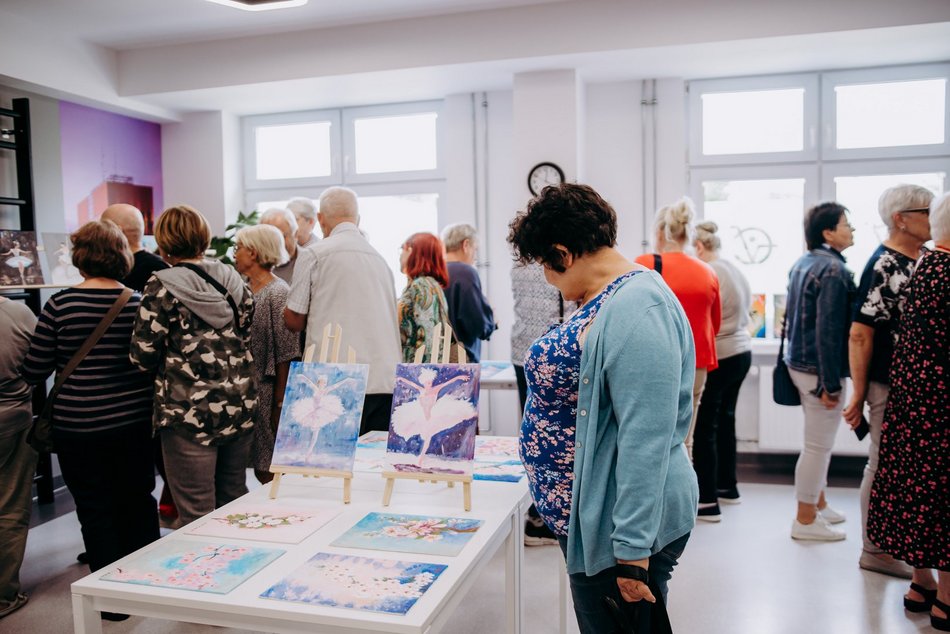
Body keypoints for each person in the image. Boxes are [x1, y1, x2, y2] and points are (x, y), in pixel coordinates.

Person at [508, 183, 697, 633]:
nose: (549, 281)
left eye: (546, 268)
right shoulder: (609, 297)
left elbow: (645, 435)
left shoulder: (639, 307)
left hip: (618, 536)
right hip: (598, 524)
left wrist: (632, 551)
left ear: (563, 252)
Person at [21, 220, 158, 619]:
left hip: (78, 428)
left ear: (79, 258)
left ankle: (113, 604)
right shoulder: (139, 302)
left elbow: (35, 368)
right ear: (122, 256)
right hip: (134, 422)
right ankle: (149, 586)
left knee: (95, 510)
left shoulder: (60, 305)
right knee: (137, 500)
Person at [130, 204, 257, 528]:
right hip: (237, 402)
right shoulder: (233, 278)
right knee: (235, 499)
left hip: (187, 410)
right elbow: (246, 330)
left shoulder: (161, 285)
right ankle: (243, 570)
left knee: (195, 511)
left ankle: (207, 575)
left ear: (164, 240)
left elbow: (143, 353)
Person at [866, 193, 949, 631]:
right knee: (940, 497)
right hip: (939, 405)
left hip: (915, 400)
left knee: (917, 492)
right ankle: (947, 601)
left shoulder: (924, 266)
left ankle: (922, 585)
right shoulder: (945, 271)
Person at [842, 184, 933, 578]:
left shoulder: (923, 257)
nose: (933, 218)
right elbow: (861, 333)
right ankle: (874, 549)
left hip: (919, 385)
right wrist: (859, 393)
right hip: (888, 383)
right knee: (881, 463)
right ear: (902, 219)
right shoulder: (884, 265)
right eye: (926, 211)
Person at [285, 186, 401, 434]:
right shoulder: (381, 261)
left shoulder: (314, 255)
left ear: (320, 220)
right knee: (370, 467)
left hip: (335, 382)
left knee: (329, 468)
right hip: (385, 380)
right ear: (358, 220)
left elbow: (294, 319)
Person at [783, 202, 856, 541]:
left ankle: (819, 503)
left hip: (799, 363)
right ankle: (806, 519)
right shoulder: (833, 271)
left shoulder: (805, 262)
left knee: (815, 443)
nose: (852, 229)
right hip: (818, 369)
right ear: (828, 232)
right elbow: (828, 332)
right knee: (817, 446)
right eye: (846, 224)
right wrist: (830, 383)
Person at [99, 202, 175, 521]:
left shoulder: (98, 276)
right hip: (148, 385)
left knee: (110, 480)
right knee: (146, 475)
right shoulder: (164, 271)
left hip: (110, 391)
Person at [635, 197, 721, 459]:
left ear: (660, 231)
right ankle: (683, 499)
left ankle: (654, 498)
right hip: (696, 364)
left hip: (654, 362)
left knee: (649, 439)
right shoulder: (707, 271)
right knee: (685, 441)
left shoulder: (644, 264)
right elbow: (714, 325)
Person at [510, 260, 577, 546]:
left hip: (522, 351)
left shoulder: (518, 265)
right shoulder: (562, 263)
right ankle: (549, 518)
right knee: (558, 438)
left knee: (532, 429)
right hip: (556, 356)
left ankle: (536, 515)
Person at [691, 221, 752, 522]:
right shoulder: (733, 267)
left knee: (705, 427)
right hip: (742, 352)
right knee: (726, 422)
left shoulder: (710, 271)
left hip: (723, 353)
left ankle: (707, 500)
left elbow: (709, 320)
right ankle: (728, 486)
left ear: (699, 247)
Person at [233, 224, 300, 484]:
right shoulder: (241, 290)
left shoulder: (279, 292)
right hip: (244, 390)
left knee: (268, 469)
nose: (235, 254)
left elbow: (287, 353)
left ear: (254, 252)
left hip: (268, 391)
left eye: (238, 248)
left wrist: (280, 404)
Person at [0, 296, 37, 620]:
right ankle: (3, 595)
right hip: (12, 418)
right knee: (10, 507)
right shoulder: (16, 312)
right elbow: (37, 363)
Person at [442, 223, 496, 363]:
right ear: (466, 245)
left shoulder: (434, 270)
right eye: (475, 249)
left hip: (435, 359)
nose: (475, 256)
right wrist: (491, 319)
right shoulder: (465, 273)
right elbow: (477, 323)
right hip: (460, 361)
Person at [397, 232, 452, 362]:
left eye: (402, 249)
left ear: (410, 250)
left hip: (417, 373)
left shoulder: (420, 286)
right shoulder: (430, 285)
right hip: (422, 371)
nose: (399, 255)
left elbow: (428, 336)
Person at [100, 203, 168, 292]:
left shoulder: (111, 270)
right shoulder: (161, 269)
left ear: (118, 231)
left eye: (103, 228)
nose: (99, 234)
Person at [260, 207, 300, 284]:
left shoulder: (311, 263)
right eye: (269, 238)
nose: (276, 243)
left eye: (281, 237)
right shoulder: (252, 266)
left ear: (296, 234)